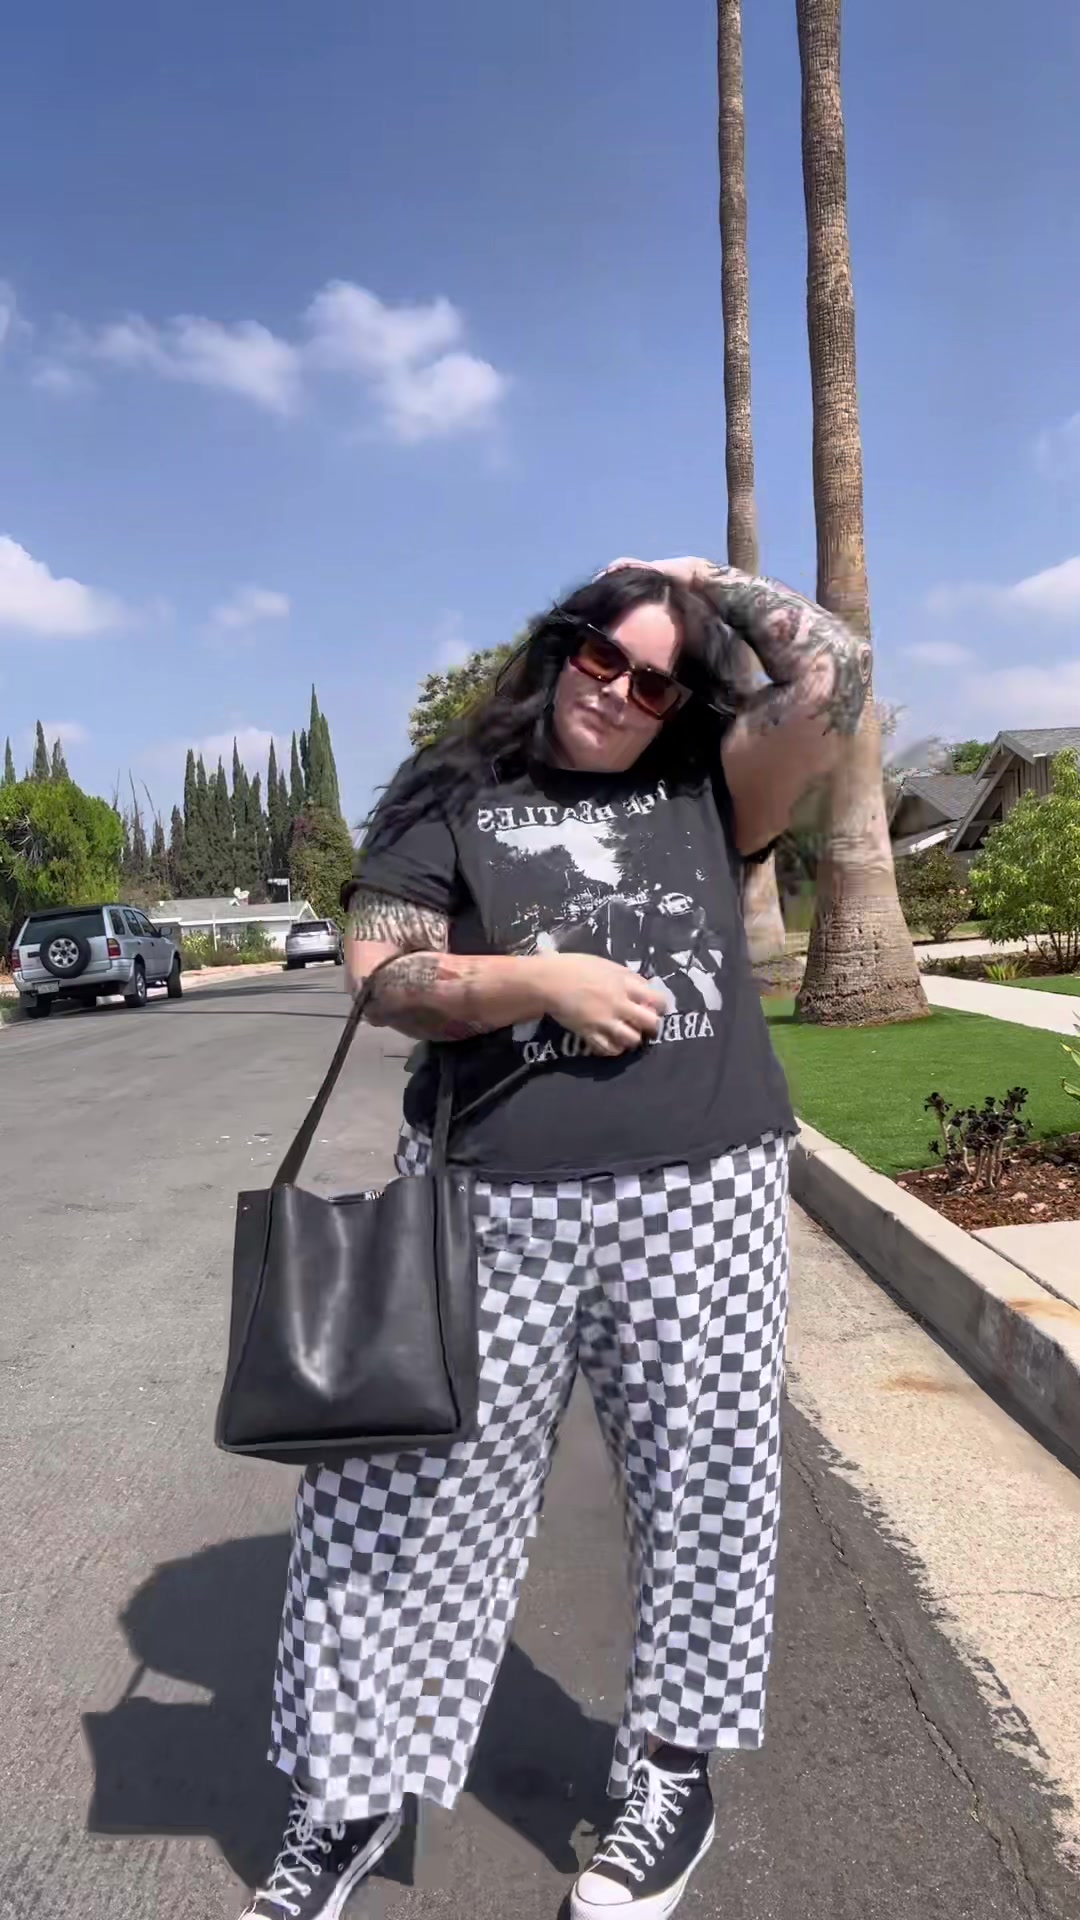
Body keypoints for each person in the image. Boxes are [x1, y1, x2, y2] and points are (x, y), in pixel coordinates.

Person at [240, 556, 870, 1920]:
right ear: (559, 644)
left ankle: (671, 1776)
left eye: (656, 682)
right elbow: (385, 975)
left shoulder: (708, 781)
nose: (621, 693)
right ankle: (347, 1798)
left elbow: (835, 674)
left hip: (701, 1193)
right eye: (603, 657)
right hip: (484, 1200)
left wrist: (702, 581)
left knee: (704, 1493)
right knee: (391, 1507)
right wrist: (537, 981)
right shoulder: (450, 789)